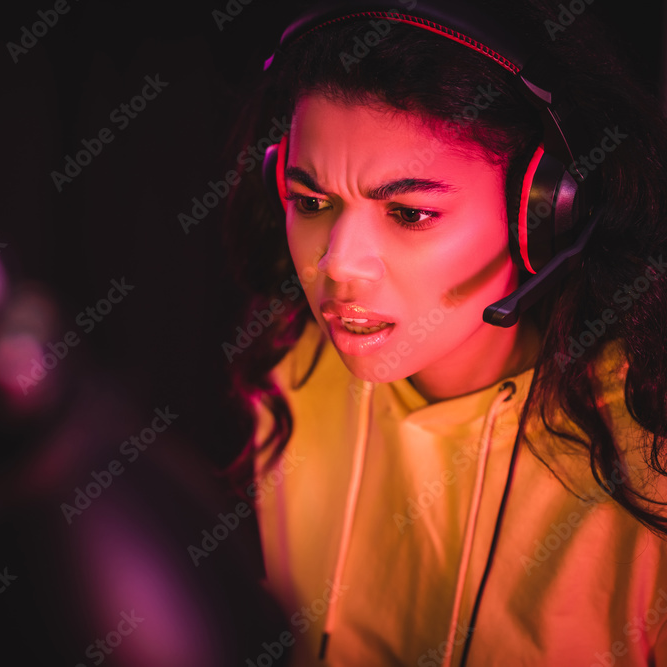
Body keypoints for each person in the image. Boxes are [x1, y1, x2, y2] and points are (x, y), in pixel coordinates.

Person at [224, 1, 667, 665]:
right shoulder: (292, 377)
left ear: (543, 214)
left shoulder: (650, 468)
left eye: (409, 212)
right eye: (311, 202)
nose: (337, 264)